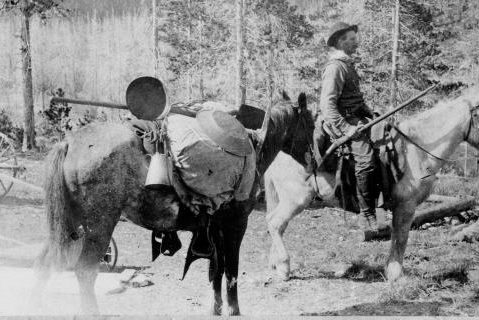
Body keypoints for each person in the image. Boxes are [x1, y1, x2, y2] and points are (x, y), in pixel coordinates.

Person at [318, 22, 378, 230]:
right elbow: (327, 105)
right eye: (351, 39)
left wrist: (371, 113)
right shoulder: (335, 67)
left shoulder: (347, 64)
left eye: (355, 38)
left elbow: (355, 99)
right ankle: (366, 213)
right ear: (340, 42)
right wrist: (346, 129)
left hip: (357, 118)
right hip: (341, 123)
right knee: (366, 159)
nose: (356, 42)